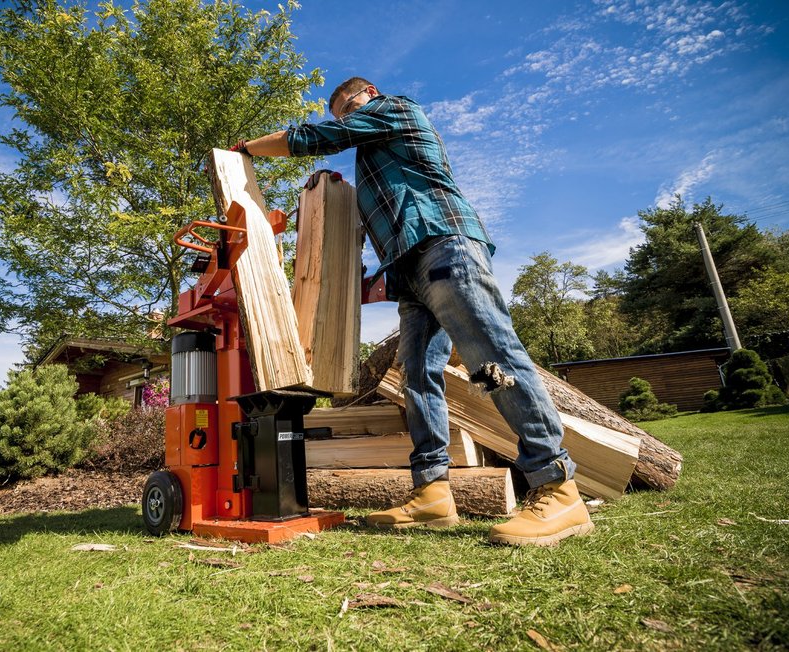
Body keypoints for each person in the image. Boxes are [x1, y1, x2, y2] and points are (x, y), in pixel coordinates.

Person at [231, 77, 593, 546]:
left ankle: (557, 485)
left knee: (491, 355)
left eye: (347, 105)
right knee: (418, 376)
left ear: (372, 94)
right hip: (411, 268)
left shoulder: (395, 110)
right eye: (339, 110)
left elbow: (317, 137)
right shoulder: (377, 162)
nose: (344, 115)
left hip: (445, 245)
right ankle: (432, 495)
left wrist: (245, 149)